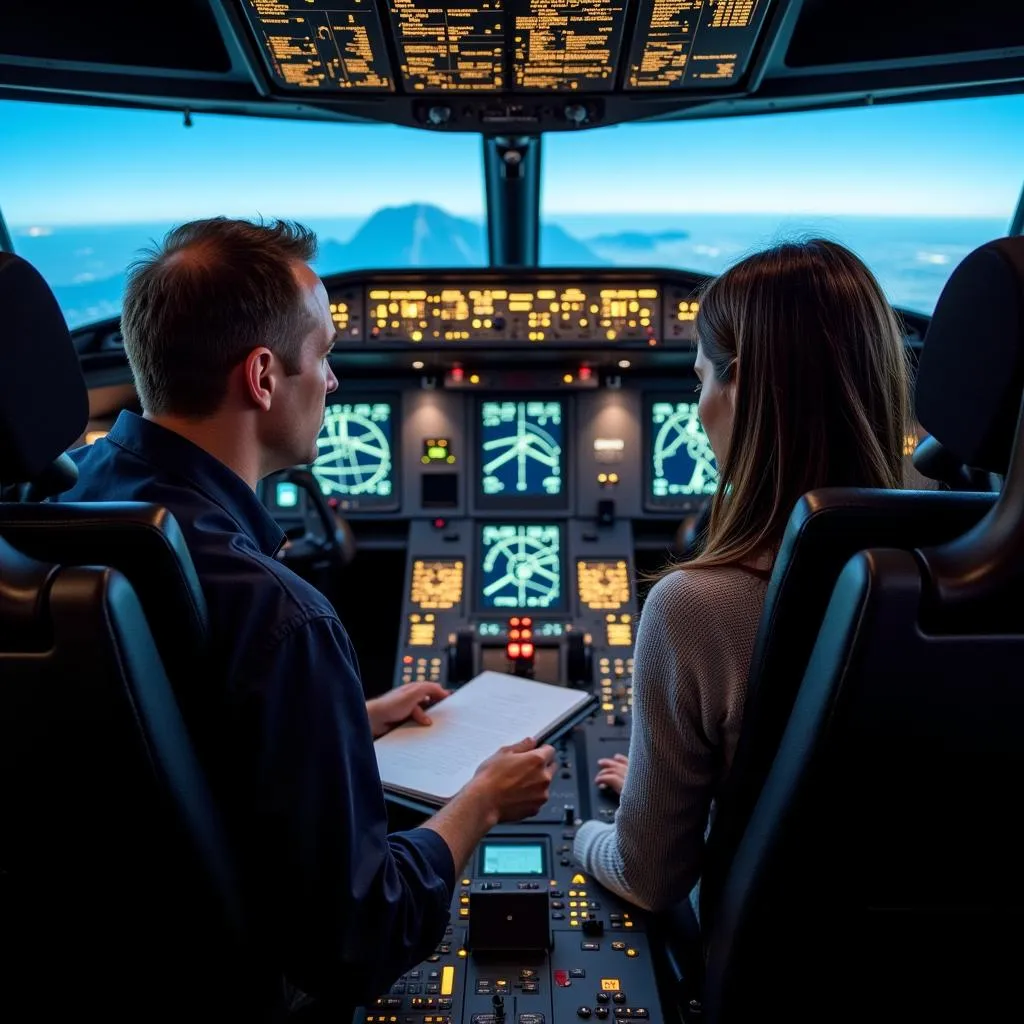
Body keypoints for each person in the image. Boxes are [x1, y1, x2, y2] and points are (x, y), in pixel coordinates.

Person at [53, 217, 556, 1014]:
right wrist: (483, 800)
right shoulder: (282, 617)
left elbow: (162, 726)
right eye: (322, 355)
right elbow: (359, 939)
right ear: (261, 376)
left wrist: (347, 717)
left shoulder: (69, 506)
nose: (334, 381)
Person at [573, 238, 910, 914]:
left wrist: (579, 832)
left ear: (742, 389)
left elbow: (648, 876)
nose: (698, 409)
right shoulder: (960, 571)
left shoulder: (697, 606)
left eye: (700, 379)